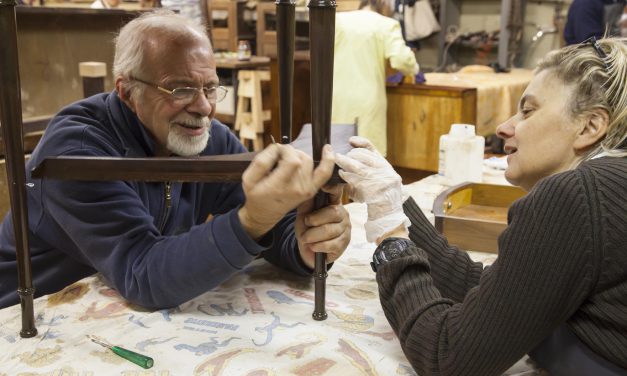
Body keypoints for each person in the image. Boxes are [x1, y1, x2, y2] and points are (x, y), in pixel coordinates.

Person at [0, 10, 351, 310]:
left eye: (211, 87)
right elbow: (143, 273)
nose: (203, 107)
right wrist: (252, 221)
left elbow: (276, 229)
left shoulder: (205, 137)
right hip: (31, 312)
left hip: (110, 304)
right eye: (180, 89)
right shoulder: (77, 150)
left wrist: (305, 245)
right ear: (127, 92)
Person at [336, 37, 627, 375]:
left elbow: (447, 357)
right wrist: (394, 199)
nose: (504, 127)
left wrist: (391, 236)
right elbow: (500, 294)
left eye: (528, 111)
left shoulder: (574, 194)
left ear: (590, 126)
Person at [331, 0, 419, 156]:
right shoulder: (386, 24)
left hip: (336, 99)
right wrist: (414, 68)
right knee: (367, 159)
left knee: (337, 155)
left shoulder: (337, 20)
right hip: (367, 101)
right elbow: (402, 60)